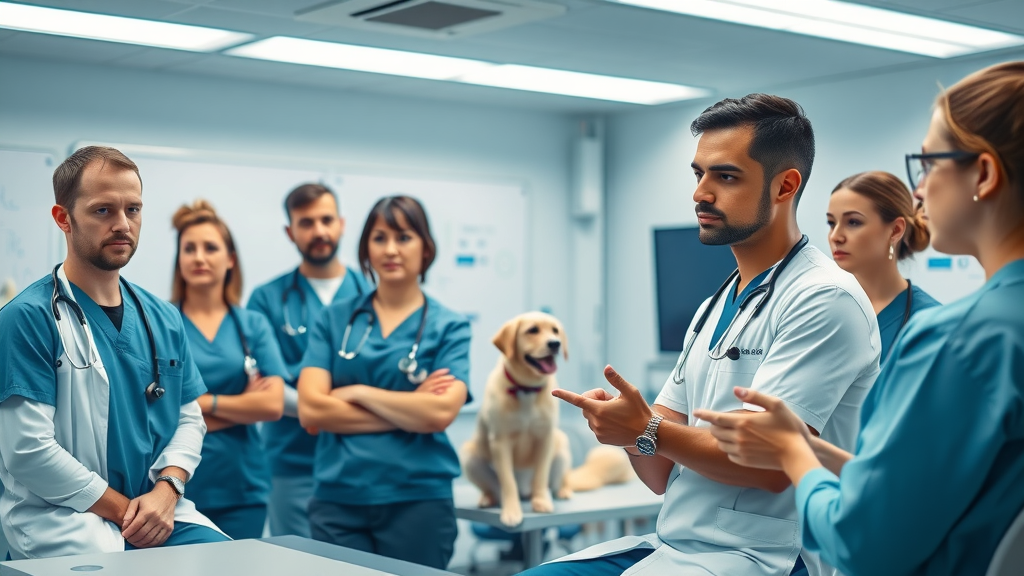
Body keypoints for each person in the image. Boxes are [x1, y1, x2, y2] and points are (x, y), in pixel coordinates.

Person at [529, 94, 880, 576]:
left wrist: (646, 429)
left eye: (726, 176)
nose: (701, 193)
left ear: (785, 186)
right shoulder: (713, 307)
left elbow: (771, 467)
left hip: (770, 558)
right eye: (699, 174)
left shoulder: (824, 298)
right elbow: (657, 473)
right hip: (677, 545)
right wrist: (627, 428)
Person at [697, 61, 1024, 576]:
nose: (918, 192)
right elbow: (917, 490)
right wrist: (811, 449)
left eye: (929, 164)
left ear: (982, 174)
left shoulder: (957, 338)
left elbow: (864, 544)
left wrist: (791, 453)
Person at [0, 146, 228, 559]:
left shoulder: (164, 317)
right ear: (63, 218)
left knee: (228, 560)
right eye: (103, 210)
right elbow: (27, 450)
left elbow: (189, 418)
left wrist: (167, 489)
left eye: (133, 210)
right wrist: (129, 513)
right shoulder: (27, 318)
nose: (123, 224)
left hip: (157, 510)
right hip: (65, 520)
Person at [297, 195, 470, 569]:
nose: (391, 249)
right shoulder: (334, 319)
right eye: (379, 238)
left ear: (426, 248)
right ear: (365, 249)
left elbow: (440, 413)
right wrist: (410, 409)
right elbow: (311, 409)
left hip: (418, 500)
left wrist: (358, 393)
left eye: (404, 237)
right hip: (338, 501)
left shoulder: (449, 326)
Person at [246, 183, 370, 537]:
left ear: (342, 224)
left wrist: (311, 402)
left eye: (327, 220)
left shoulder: (371, 296)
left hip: (361, 462)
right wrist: (326, 406)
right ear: (291, 232)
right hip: (293, 464)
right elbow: (266, 387)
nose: (319, 231)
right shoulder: (267, 299)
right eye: (306, 222)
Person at [171, 200, 287, 539]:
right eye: (189, 248)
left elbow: (272, 405)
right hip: (175, 485)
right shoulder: (160, 323)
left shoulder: (252, 325)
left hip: (242, 488)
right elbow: (155, 411)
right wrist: (241, 407)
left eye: (210, 247)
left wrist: (200, 404)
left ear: (230, 259)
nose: (199, 257)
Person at [826, 171, 940, 362]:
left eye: (853, 222)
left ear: (895, 230)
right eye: (831, 223)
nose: (835, 236)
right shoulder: (818, 310)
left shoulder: (932, 323)